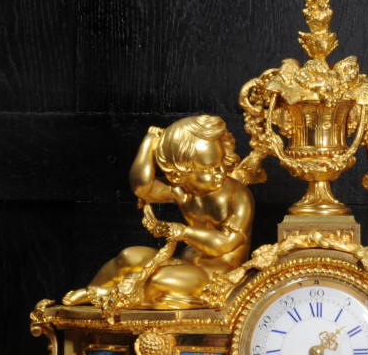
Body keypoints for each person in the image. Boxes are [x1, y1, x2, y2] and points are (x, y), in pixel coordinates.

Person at [63, 115, 253, 309]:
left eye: (220, 162)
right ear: (180, 173)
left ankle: (106, 297)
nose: (220, 172)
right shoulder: (183, 191)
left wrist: (184, 232)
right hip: (185, 264)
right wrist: (149, 145)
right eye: (208, 168)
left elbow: (227, 242)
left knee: (158, 280)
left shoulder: (238, 196)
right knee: (128, 257)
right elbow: (142, 188)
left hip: (216, 278)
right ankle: (93, 292)